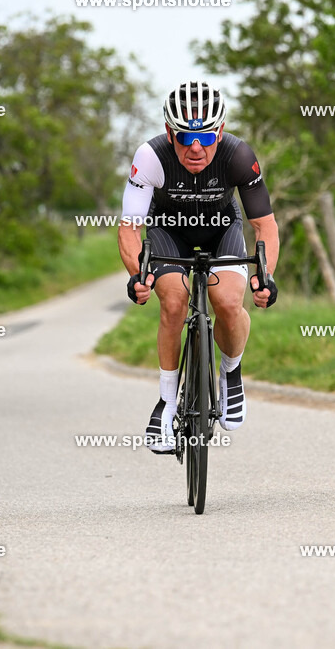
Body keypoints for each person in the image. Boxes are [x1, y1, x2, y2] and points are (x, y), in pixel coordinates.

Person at [117, 80, 279, 454]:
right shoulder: (151, 157)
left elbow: (265, 225)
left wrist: (264, 275)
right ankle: (166, 402)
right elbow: (130, 228)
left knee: (226, 301)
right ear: (169, 131)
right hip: (168, 231)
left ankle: (231, 373)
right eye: (185, 137)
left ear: (219, 133)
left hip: (222, 228)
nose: (195, 147)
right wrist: (136, 276)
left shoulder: (238, 156)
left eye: (206, 138)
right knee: (173, 303)